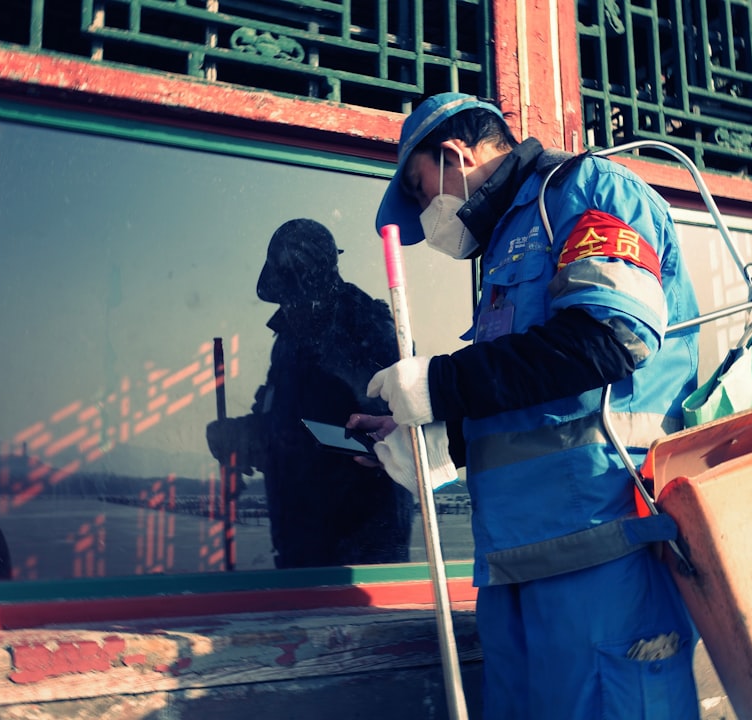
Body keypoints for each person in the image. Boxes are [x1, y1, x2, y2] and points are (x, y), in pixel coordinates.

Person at [348, 93, 702, 718]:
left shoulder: (585, 192)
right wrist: (433, 435)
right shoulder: (504, 245)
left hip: (602, 548)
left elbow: (609, 337)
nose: (427, 210)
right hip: (510, 562)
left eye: (420, 184)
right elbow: (525, 399)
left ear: (455, 155)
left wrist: (442, 383)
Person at [206, 218, 414, 569]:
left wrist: (259, 437)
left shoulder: (365, 329)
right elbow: (286, 419)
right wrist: (239, 438)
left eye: (292, 294)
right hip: (300, 543)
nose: (287, 306)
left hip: (358, 555)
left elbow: (380, 438)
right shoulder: (290, 339)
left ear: (320, 279)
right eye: (283, 297)